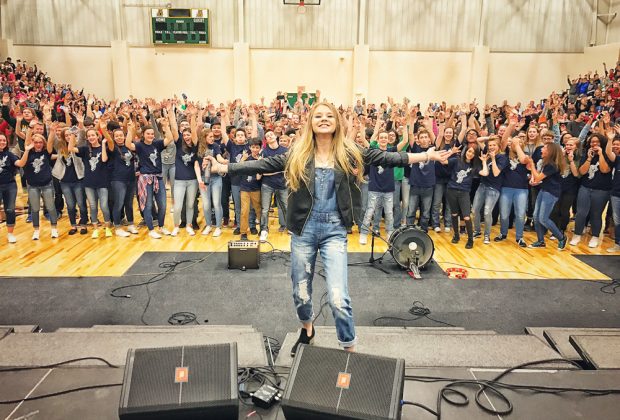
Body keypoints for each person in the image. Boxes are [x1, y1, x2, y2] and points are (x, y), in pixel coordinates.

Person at [206, 102, 450, 355]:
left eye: (329, 116)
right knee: (301, 293)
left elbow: (387, 158)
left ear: (337, 123)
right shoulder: (298, 153)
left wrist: (427, 155)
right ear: (311, 122)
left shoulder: (348, 151)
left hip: (334, 231)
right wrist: (224, 168)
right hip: (304, 231)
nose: (323, 119)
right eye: (318, 116)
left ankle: (349, 348)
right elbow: (261, 165)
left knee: (337, 298)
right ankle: (307, 329)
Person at [124, 112, 175, 238]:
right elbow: (127, 144)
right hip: (145, 178)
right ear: (143, 135)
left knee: (162, 204)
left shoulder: (157, 144)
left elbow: (169, 139)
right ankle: (151, 230)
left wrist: (166, 126)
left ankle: (161, 226)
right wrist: (130, 131)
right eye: (148, 134)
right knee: (148, 205)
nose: (151, 136)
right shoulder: (139, 145)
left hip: (158, 177)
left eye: (152, 134)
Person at [15, 128, 58, 240]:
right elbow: (25, 147)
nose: (38, 144)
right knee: (34, 208)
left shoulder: (46, 152)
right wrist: (29, 130)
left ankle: (54, 228)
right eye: (36, 142)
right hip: (33, 185)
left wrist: (52, 131)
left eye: (40, 142)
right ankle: (36, 230)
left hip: (47, 184)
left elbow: (50, 142)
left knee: (51, 206)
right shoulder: (28, 153)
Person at [526, 143, 568, 249]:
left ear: (550, 151)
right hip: (544, 190)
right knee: (536, 216)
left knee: (543, 218)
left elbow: (538, 177)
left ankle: (561, 237)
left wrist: (532, 164)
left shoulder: (552, 165)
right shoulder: (548, 163)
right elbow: (543, 179)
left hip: (551, 193)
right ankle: (540, 241)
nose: (541, 150)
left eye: (544, 148)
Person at [0, 133, 19, 243]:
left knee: (10, 209)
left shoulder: (9, 154)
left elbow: (19, 163)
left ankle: (10, 233)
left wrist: (26, 152)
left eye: (4, 140)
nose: (2, 142)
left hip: (9, 185)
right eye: (0, 140)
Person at [604, 127, 620, 252]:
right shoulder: (618, 159)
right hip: (616, 194)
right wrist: (610, 140)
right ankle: (618, 244)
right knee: (617, 220)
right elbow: (609, 153)